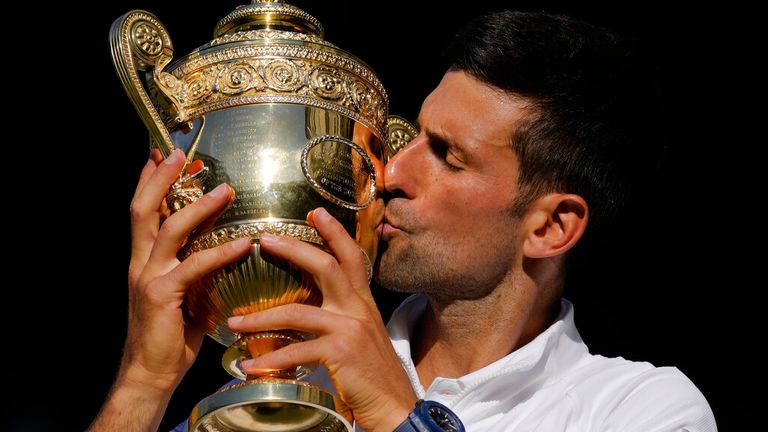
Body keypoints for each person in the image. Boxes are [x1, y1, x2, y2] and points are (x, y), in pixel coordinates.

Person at [90, 10, 716, 432]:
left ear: (550, 227)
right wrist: (143, 386)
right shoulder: (286, 386)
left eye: (447, 156)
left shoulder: (639, 410)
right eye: (415, 134)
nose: (388, 173)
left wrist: (398, 413)